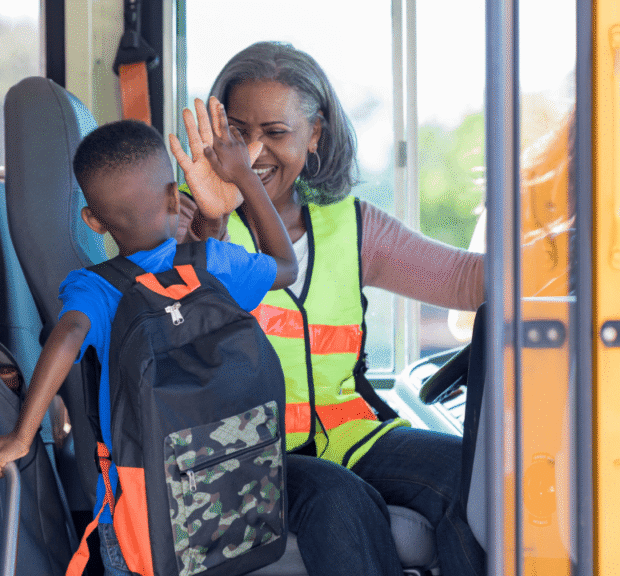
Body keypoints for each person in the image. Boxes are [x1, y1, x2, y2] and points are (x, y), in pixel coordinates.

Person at [170, 41, 485, 575]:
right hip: (240, 454)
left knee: (473, 476)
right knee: (340, 498)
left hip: (349, 436)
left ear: (314, 135)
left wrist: (567, 249)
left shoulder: (352, 225)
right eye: (238, 133)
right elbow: (180, 303)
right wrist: (208, 220)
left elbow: (467, 280)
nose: (252, 153)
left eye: (274, 133)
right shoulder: (191, 219)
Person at [0, 116, 298, 575]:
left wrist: (22, 437)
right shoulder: (215, 263)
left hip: (137, 517)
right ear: (174, 198)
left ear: (94, 222)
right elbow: (285, 265)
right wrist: (243, 175)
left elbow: (67, 335)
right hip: (231, 500)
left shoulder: (96, 288)